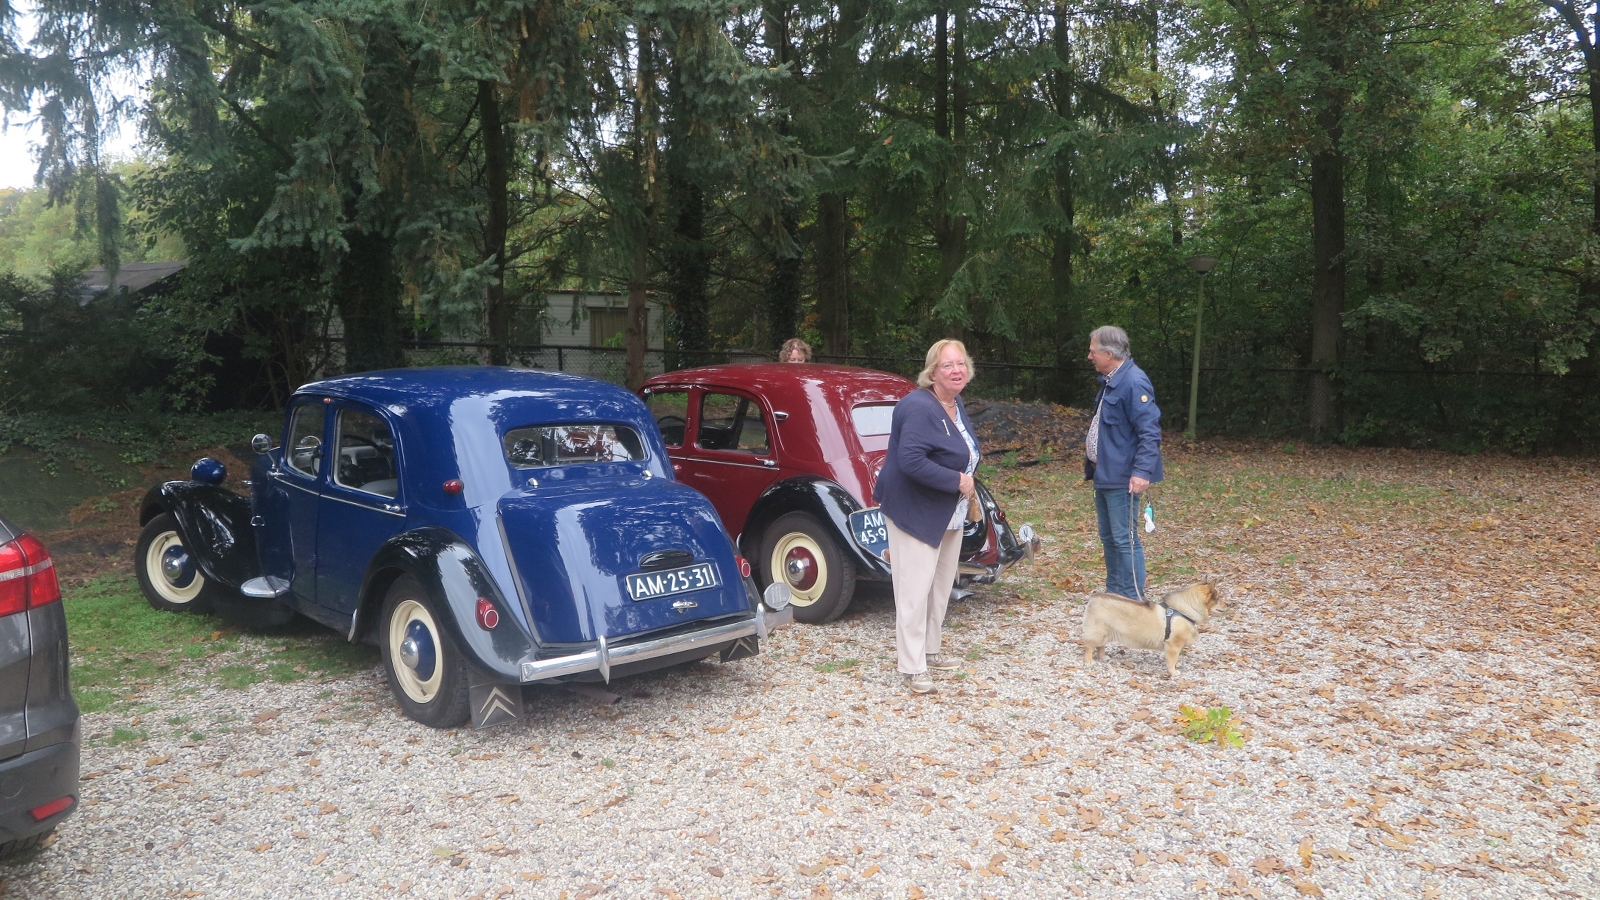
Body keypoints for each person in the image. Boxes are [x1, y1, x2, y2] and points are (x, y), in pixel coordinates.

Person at [873, 339, 979, 694]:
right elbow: (911, 460)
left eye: (960, 364)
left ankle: (930, 651)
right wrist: (957, 480)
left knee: (940, 586)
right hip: (915, 509)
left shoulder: (954, 402)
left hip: (949, 511)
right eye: (948, 365)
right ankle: (912, 666)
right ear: (933, 372)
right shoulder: (917, 406)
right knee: (914, 591)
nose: (956, 371)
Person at [1083, 325, 1164, 599]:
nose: (1089, 356)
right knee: (1110, 538)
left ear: (1108, 353)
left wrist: (1142, 472)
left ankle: (1131, 599)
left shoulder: (1133, 382)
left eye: (1093, 351)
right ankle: (1114, 596)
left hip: (1123, 477)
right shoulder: (1111, 381)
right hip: (1106, 474)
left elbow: (1149, 431)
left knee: (1124, 539)